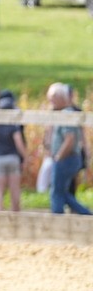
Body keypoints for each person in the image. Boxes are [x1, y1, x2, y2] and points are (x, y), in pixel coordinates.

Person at [46, 82, 90, 215]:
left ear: (60, 97)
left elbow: (70, 139)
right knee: (61, 192)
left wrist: (58, 156)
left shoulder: (66, 114)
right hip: (68, 158)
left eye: (52, 99)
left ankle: (57, 219)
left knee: (56, 193)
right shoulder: (64, 113)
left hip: (67, 158)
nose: (50, 102)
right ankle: (86, 214)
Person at [0, 90, 27, 212]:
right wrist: (25, 157)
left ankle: (0, 212)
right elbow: (18, 142)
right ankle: (16, 213)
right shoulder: (12, 125)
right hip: (12, 158)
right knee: (14, 188)